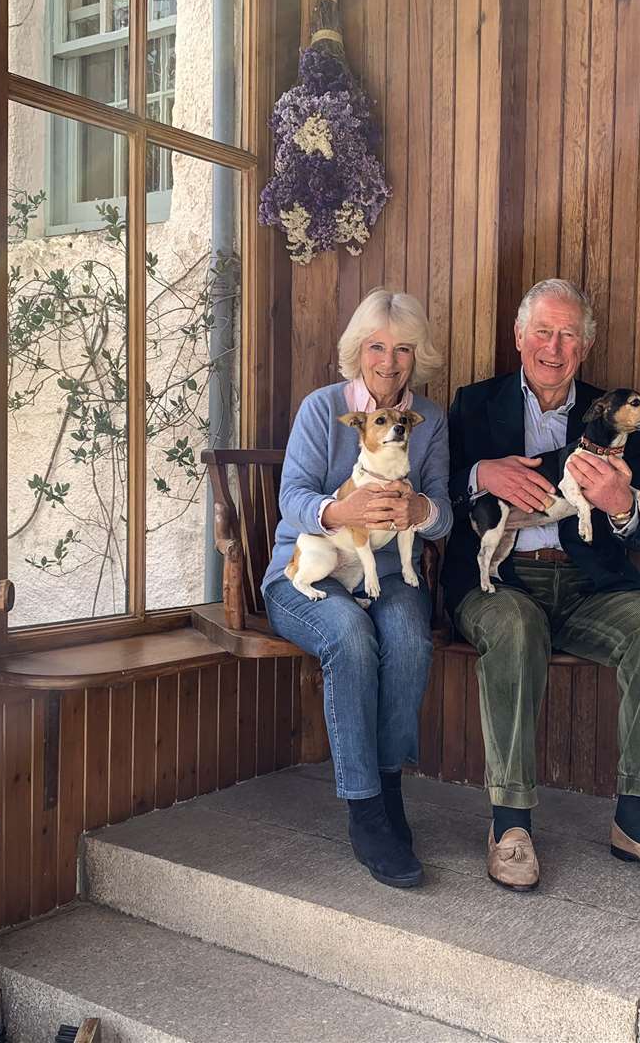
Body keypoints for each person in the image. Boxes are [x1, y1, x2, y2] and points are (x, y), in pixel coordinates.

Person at [443, 277, 640, 892]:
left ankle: (635, 822)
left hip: (590, 588)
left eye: (567, 336)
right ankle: (510, 824)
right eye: (542, 332)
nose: (553, 348)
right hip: (500, 582)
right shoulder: (474, 404)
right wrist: (482, 472)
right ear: (518, 337)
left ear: (584, 347)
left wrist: (618, 503)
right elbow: (437, 490)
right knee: (514, 625)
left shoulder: (616, 415)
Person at [262, 288, 452, 888]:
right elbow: (291, 498)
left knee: (407, 636)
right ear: (357, 351)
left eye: (402, 349)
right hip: (308, 569)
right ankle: (366, 808)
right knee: (348, 634)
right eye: (376, 346)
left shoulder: (432, 420)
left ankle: (390, 788)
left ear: (417, 355)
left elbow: (445, 514)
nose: (389, 361)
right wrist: (340, 510)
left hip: (388, 574)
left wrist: (421, 508)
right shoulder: (322, 410)